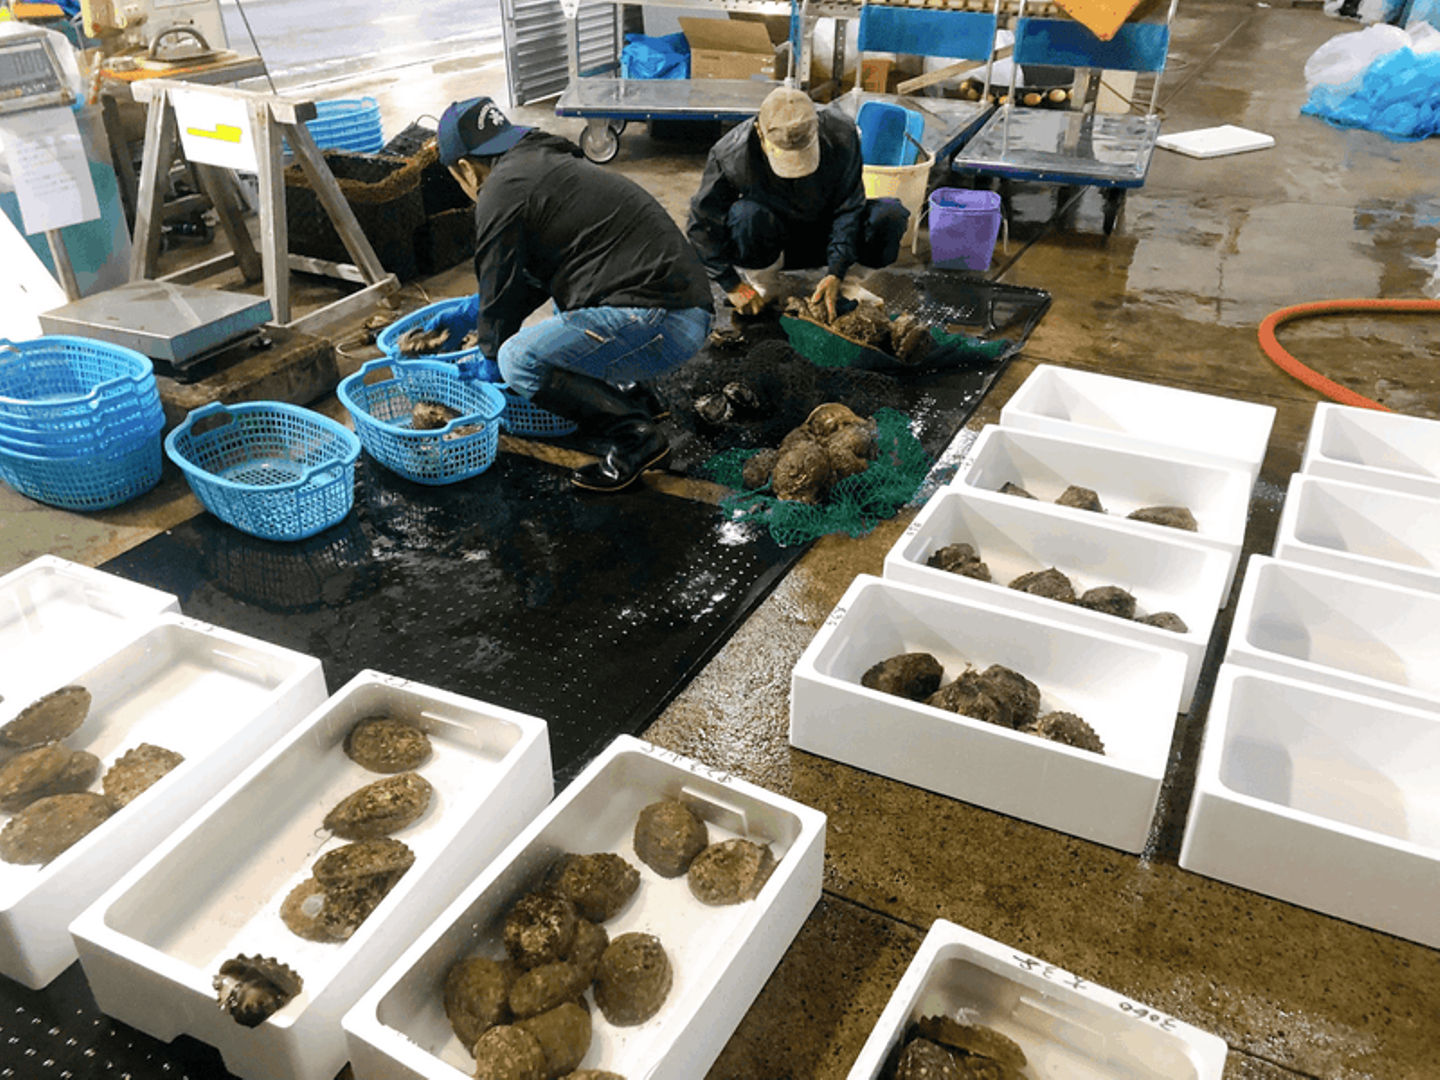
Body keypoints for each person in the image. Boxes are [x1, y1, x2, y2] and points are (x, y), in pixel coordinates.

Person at [437, 96, 715, 492]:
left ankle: (635, 438)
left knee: (518, 359)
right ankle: (639, 396)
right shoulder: (540, 163)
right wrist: (473, 310)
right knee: (564, 305)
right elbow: (533, 277)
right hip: (683, 310)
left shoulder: (500, 189)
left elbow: (498, 283)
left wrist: (490, 354)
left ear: (465, 168)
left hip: (663, 324)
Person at [686, 86, 911, 321]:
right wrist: (732, 284)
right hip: (771, 243)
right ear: (760, 132)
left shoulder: (842, 133)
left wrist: (837, 271)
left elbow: (849, 207)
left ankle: (847, 287)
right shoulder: (731, 154)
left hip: (826, 237)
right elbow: (701, 224)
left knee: (889, 214)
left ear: (817, 127)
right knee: (746, 215)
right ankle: (765, 287)